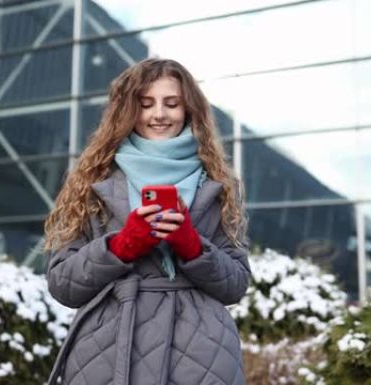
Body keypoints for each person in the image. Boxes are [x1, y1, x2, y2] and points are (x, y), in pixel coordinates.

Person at [43, 58, 251, 385]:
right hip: (108, 351)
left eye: (172, 104)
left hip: (198, 356)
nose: (159, 114)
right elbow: (62, 283)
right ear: (128, 110)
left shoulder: (217, 183)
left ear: (189, 110)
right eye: (146, 104)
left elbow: (236, 283)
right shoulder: (91, 179)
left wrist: (193, 247)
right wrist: (121, 247)